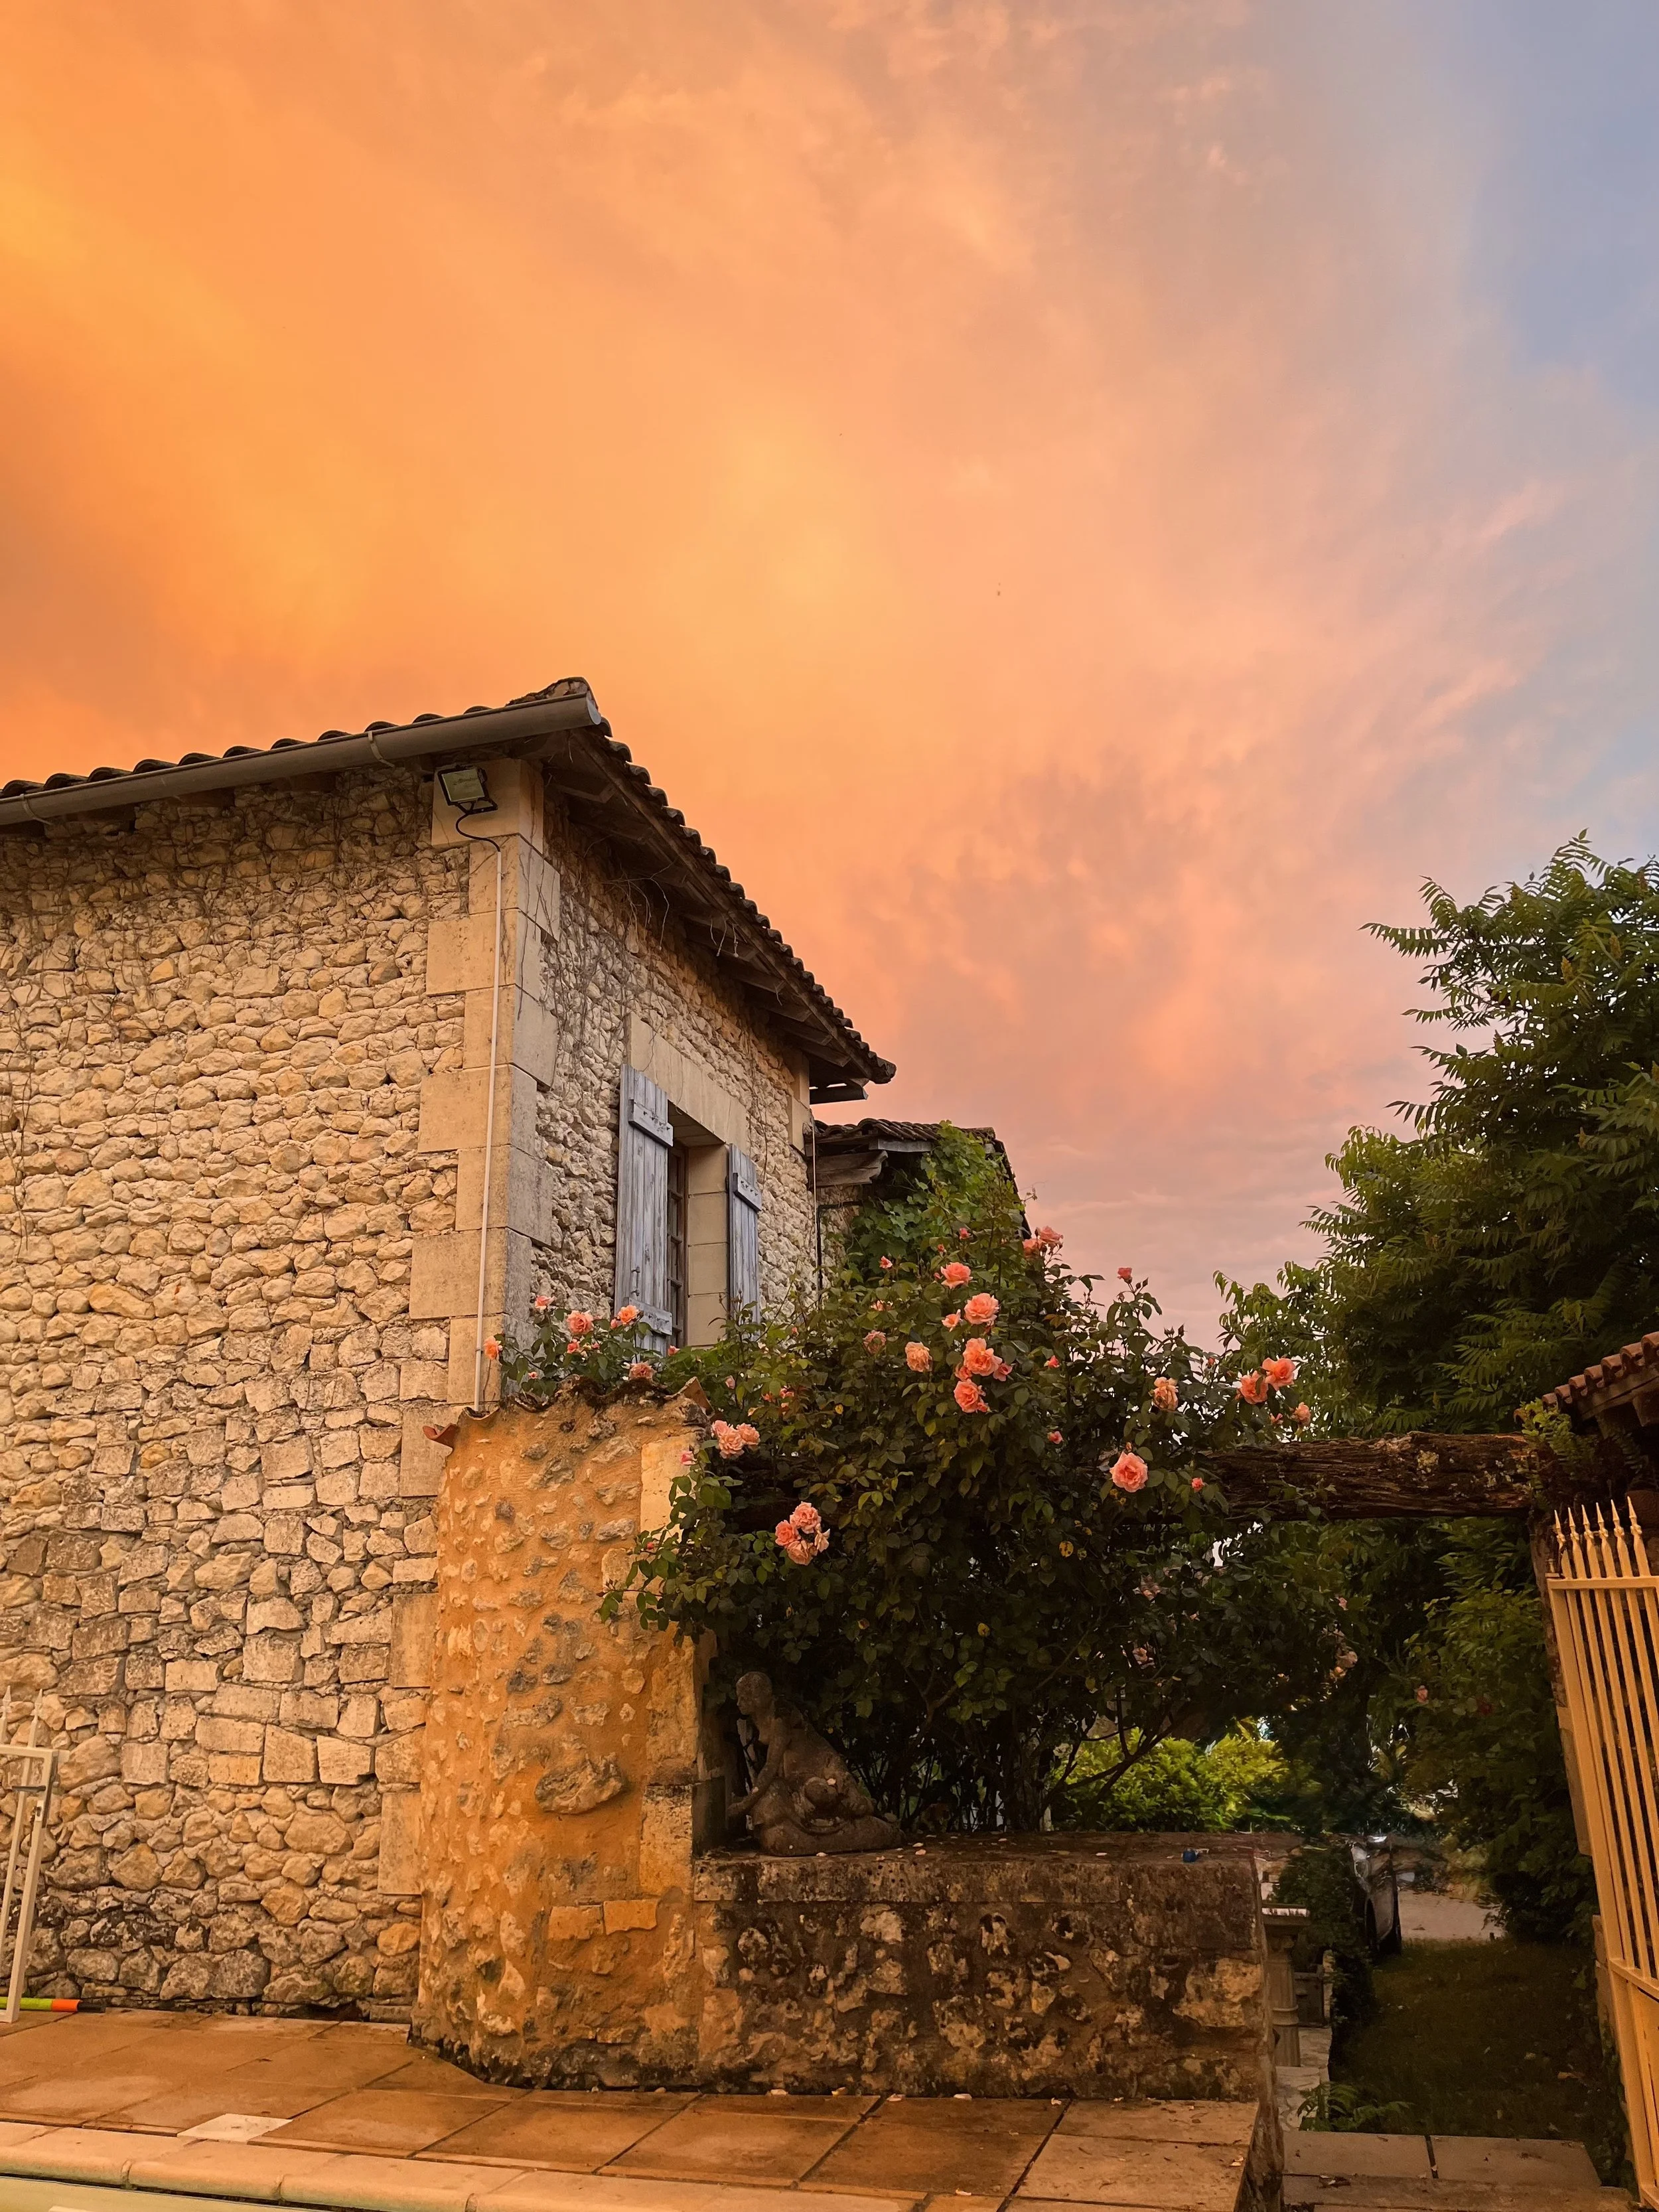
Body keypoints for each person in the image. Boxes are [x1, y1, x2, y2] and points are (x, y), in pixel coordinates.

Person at [729, 1670, 901, 1855]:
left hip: (823, 1768)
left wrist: (745, 1804)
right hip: (798, 1776)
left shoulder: (781, 1716)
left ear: (761, 1696)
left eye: (745, 1698)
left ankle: (869, 1811)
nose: (739, 1703)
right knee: (778, 1802)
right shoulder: (761, 1716)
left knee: (841, 1801)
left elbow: (770, 1766)